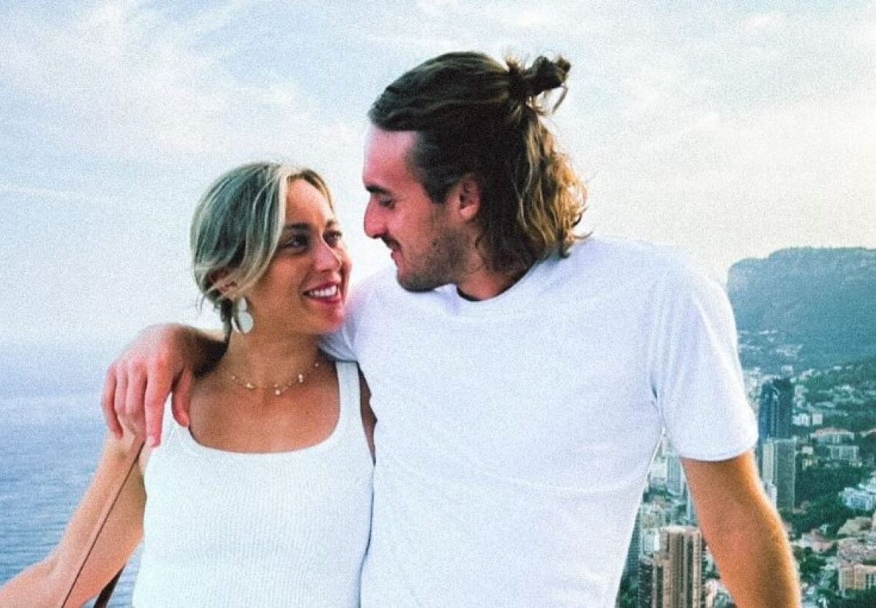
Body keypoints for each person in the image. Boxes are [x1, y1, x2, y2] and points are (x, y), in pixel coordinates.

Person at [102, 52, 800, 606]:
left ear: (465, 196)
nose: (369, 225)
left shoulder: (658, 297)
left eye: (385, 199)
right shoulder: (379, 311)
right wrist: (173, 339)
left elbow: (736, 520)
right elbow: (267, 339)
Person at [0, 162, 375, 607]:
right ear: (226, 278)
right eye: (295, 243)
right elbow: (62, 579)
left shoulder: (371, 404)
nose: (330, 260)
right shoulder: (156, 413)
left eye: (333, 236)